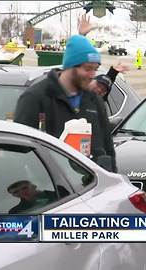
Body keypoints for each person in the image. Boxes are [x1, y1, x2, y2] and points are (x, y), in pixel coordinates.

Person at [14, 34, 117, 173]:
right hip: (54, 189)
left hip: (94, 187)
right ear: (70, 66)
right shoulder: (35, 98)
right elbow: (20, 152)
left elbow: (108, 148)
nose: (92, 75)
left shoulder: (94, 101)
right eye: (87, 69)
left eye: (95, 69)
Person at [76, 14, 129, 99]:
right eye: (98, 85)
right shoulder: (77, 95)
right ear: (90, 81)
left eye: (103, 90)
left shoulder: (98, 106)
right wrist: (81, 36)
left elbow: (107, 82)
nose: (99, 90)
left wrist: (114, 72)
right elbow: (75, 66)